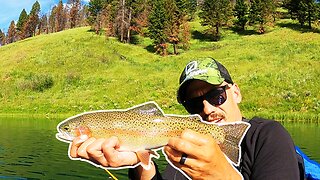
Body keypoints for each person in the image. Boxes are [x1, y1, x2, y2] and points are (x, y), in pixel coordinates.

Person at [69, 57, 301, 179]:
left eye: (216, 96)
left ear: (236, 92)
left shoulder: (267, 136)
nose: (207, 108)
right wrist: (140, 162)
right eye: (193, 103)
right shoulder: (182, 149)